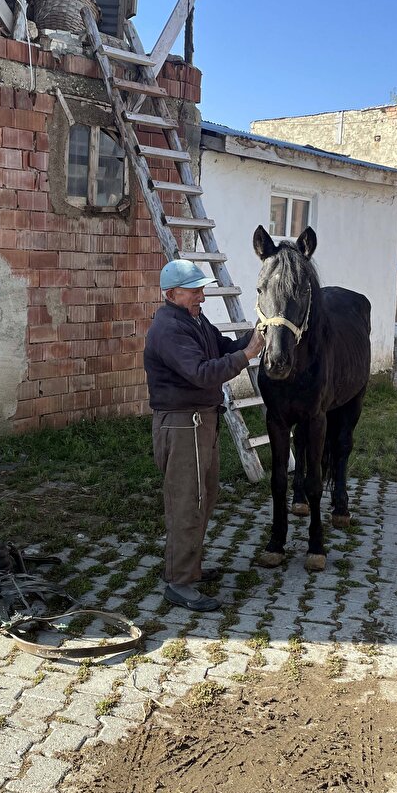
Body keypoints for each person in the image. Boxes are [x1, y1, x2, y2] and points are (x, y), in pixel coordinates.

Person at [143, 259, 265, 612]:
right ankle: (179, 583)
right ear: (171, 294)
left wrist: (254, 336)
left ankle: (186, 567)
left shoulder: (192, 319)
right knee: (187, 502)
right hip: (182, 425)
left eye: (202, 288)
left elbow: (221, 347)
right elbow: (201, 372)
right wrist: (247, 355)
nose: (202, 296)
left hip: (200, 422)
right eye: (194, 290)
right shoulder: (168, 328)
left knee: (204, 498)